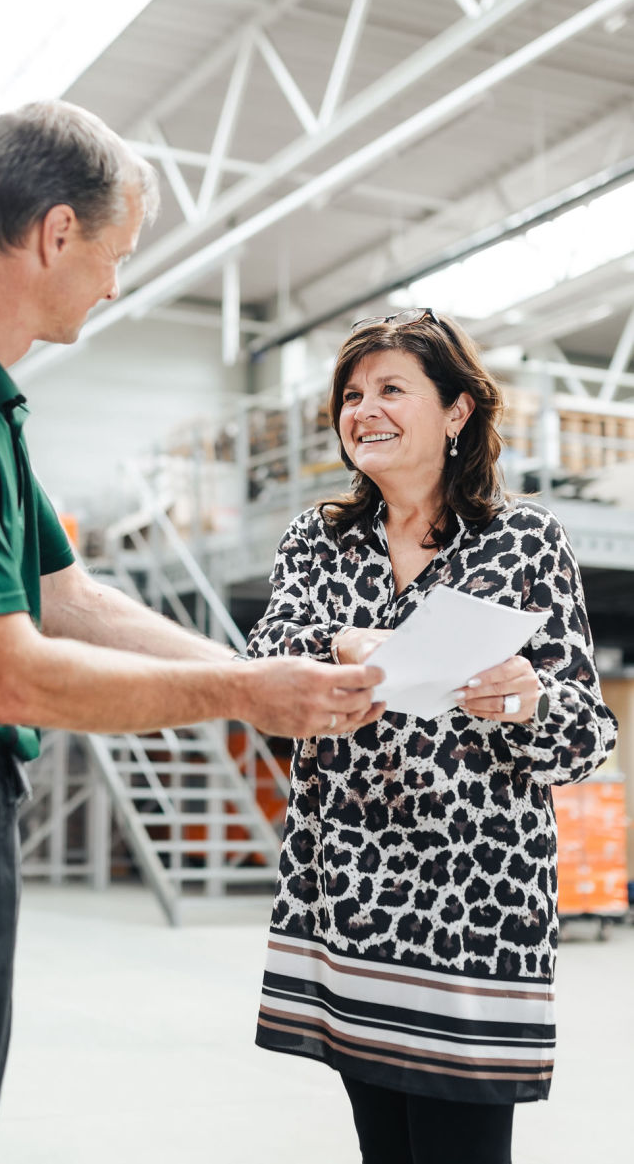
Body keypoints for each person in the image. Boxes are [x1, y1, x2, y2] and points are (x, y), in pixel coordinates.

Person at [0, 99, 384, 1164]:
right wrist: (240, 699)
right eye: (113, 254)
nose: (114, 283)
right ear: (55, 233)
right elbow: (10, 675)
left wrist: (257, 670)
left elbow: (67, 596)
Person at [245, 307, 618, 1164]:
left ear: (456, 411)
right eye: (350, 394)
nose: (362, 409)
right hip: (350, 894)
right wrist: (337, 646)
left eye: (389, 389)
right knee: (386, 1147)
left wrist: (527, 698)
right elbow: (263, 675)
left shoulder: (524, 540)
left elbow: (587, 737)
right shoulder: (319, 543)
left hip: (477, 905)